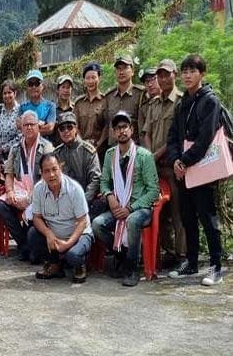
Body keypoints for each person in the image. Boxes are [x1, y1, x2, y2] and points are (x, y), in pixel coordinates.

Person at [166, 54, 224, 285]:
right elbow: (172, 136)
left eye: (193, 71)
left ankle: (216, 266)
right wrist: (175, 160)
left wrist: (184, 160)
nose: (188, 76)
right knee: (188, 216)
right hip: (184, 170)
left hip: (204, 169)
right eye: (185, 71)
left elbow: (205, 138)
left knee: (208, 218)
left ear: (202, 74)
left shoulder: (210, 101)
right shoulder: (182, 104)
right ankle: (191, 262)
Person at [92, 111, 158, 287]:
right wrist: (109, 196)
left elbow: (153, 191)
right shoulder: (110, 154)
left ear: (131, 129)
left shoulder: (144, 156)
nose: (121, 131)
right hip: (117, 206)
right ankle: (121, 254)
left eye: (124, 127)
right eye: (117, 128)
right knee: (97, 224)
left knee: (133, 221)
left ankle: (132, 268)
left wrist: (131, 207)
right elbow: (104, 182)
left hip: (139, 208)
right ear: (113, 132)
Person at [0, 111, 55, 261]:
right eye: (25, 125)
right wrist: (9, 192)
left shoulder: (47, 148)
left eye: (32, 125)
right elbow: (8, 173)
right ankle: (23, 244)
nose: (28, 128)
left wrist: (29, 199)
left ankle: (30, 244)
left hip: (40, 193)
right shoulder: (16, 149)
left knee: (34, 258)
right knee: (1, 206)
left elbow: (47, 179)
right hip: (19, 191)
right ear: (21, 128)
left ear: (38, 127)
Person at [142, 59, 184, 269]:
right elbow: (146, 132)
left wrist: (156, 154)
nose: (163, 78)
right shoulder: (154, 104)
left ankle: (182, 254)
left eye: (167, 74)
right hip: (154, 167)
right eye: (160, 75)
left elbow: (178, 136)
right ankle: (167, 252)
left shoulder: (181, 102)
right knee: (161, 212)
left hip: (171, 166)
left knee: (178, 211)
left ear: (175, 74)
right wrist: (149, 155)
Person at [29, 154, 93, 283]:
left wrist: (68, 244)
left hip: (78, 234)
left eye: (54, 169)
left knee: (73, 256)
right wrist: (48, 233)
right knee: (32, 235)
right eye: (46, 171)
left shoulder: (74, 189)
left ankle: (79, 265)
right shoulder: (38, 189)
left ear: (61, 168)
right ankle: (54, 265)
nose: (51, 175)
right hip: (54, 236)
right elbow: (36, 218)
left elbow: (82, 221)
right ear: (41, 173)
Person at [53, 112, 105, 220]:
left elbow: (95, 179)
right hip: (64, 203)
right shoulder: (57, 154)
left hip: (86, 201)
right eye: (62, 128)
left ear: (76, 129)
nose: (66, 131)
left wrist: (83, 201)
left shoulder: (88, 151)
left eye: (69, 127)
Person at [101, 56, 146, 147]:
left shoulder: (141, 94)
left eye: (125, 68)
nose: (121, 72)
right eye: (118, 69)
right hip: (113, 149)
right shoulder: (109, 96)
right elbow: (106, 125)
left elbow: (145, 126)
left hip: (134, 149)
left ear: (132, 71)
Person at [74, 61, 108, 158]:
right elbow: (75, 126)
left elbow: (107, 126)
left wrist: (98, 145)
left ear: (99, 78)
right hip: (82, 150)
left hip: (101, 151)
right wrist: (83, 144)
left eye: (93, 77)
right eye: (87, 78)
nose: (90, 81)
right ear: (84, 80)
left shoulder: (106, 100)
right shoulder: (79, 103)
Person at [18, 70, 57, 138]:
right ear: (27, 87)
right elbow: (19, 125)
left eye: (37, 83)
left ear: (42, 86)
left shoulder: (50, 106)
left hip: (44, 145)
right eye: (30, 84)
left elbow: (50, 128)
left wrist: (28, 128)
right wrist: (39, 125)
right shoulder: (22, 106)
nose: (34, 87)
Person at [0, 80, 21, 159]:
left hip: (12, 155)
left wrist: (3, 148)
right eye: (4, 93)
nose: (7, 95)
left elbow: (20, 136)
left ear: (15, 93)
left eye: (9, 92)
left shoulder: (20, 110)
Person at [49, 75, 75, 145]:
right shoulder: (51, 108)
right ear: (58, 90)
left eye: (68, 87)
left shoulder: (75, 108)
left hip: (73, 149)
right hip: (56, 149)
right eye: (63, 87)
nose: (66, 90)